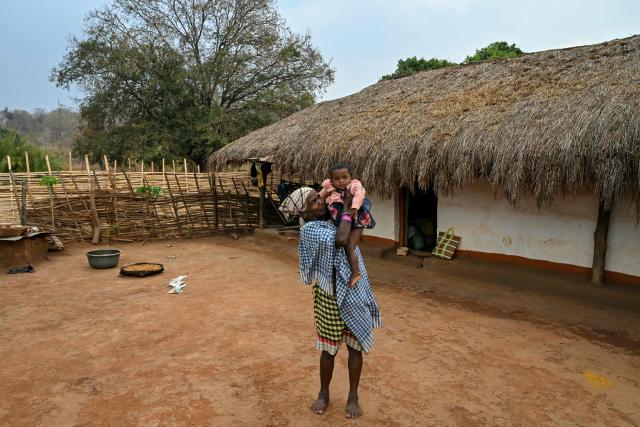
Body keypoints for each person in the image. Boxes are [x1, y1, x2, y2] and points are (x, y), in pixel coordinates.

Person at [298, 188, 382, 419]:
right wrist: (347, 209)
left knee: (355, 347)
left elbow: (355, 231)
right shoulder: (310, 230)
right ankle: (324, 393)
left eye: (319, 197)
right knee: (329, 350)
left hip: (354, 290)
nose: (319, 201)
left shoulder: (336, 219)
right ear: (304, 210)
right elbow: (342, 239)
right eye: (312, 201)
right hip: (329, 296)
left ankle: (353, 396)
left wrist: (350, 211)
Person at [319, 162, 376, 288]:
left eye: (344, 177)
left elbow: (360, 195)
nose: (341, 181)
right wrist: (319, 199)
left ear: (351, 177)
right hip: (341, 220)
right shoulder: (330, 187)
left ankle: (356, 272)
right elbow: (322, 195)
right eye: (337, 178)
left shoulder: (354, 186)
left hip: (356, 220)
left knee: (349, 246)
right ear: (331, 180)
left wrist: (354, 207)